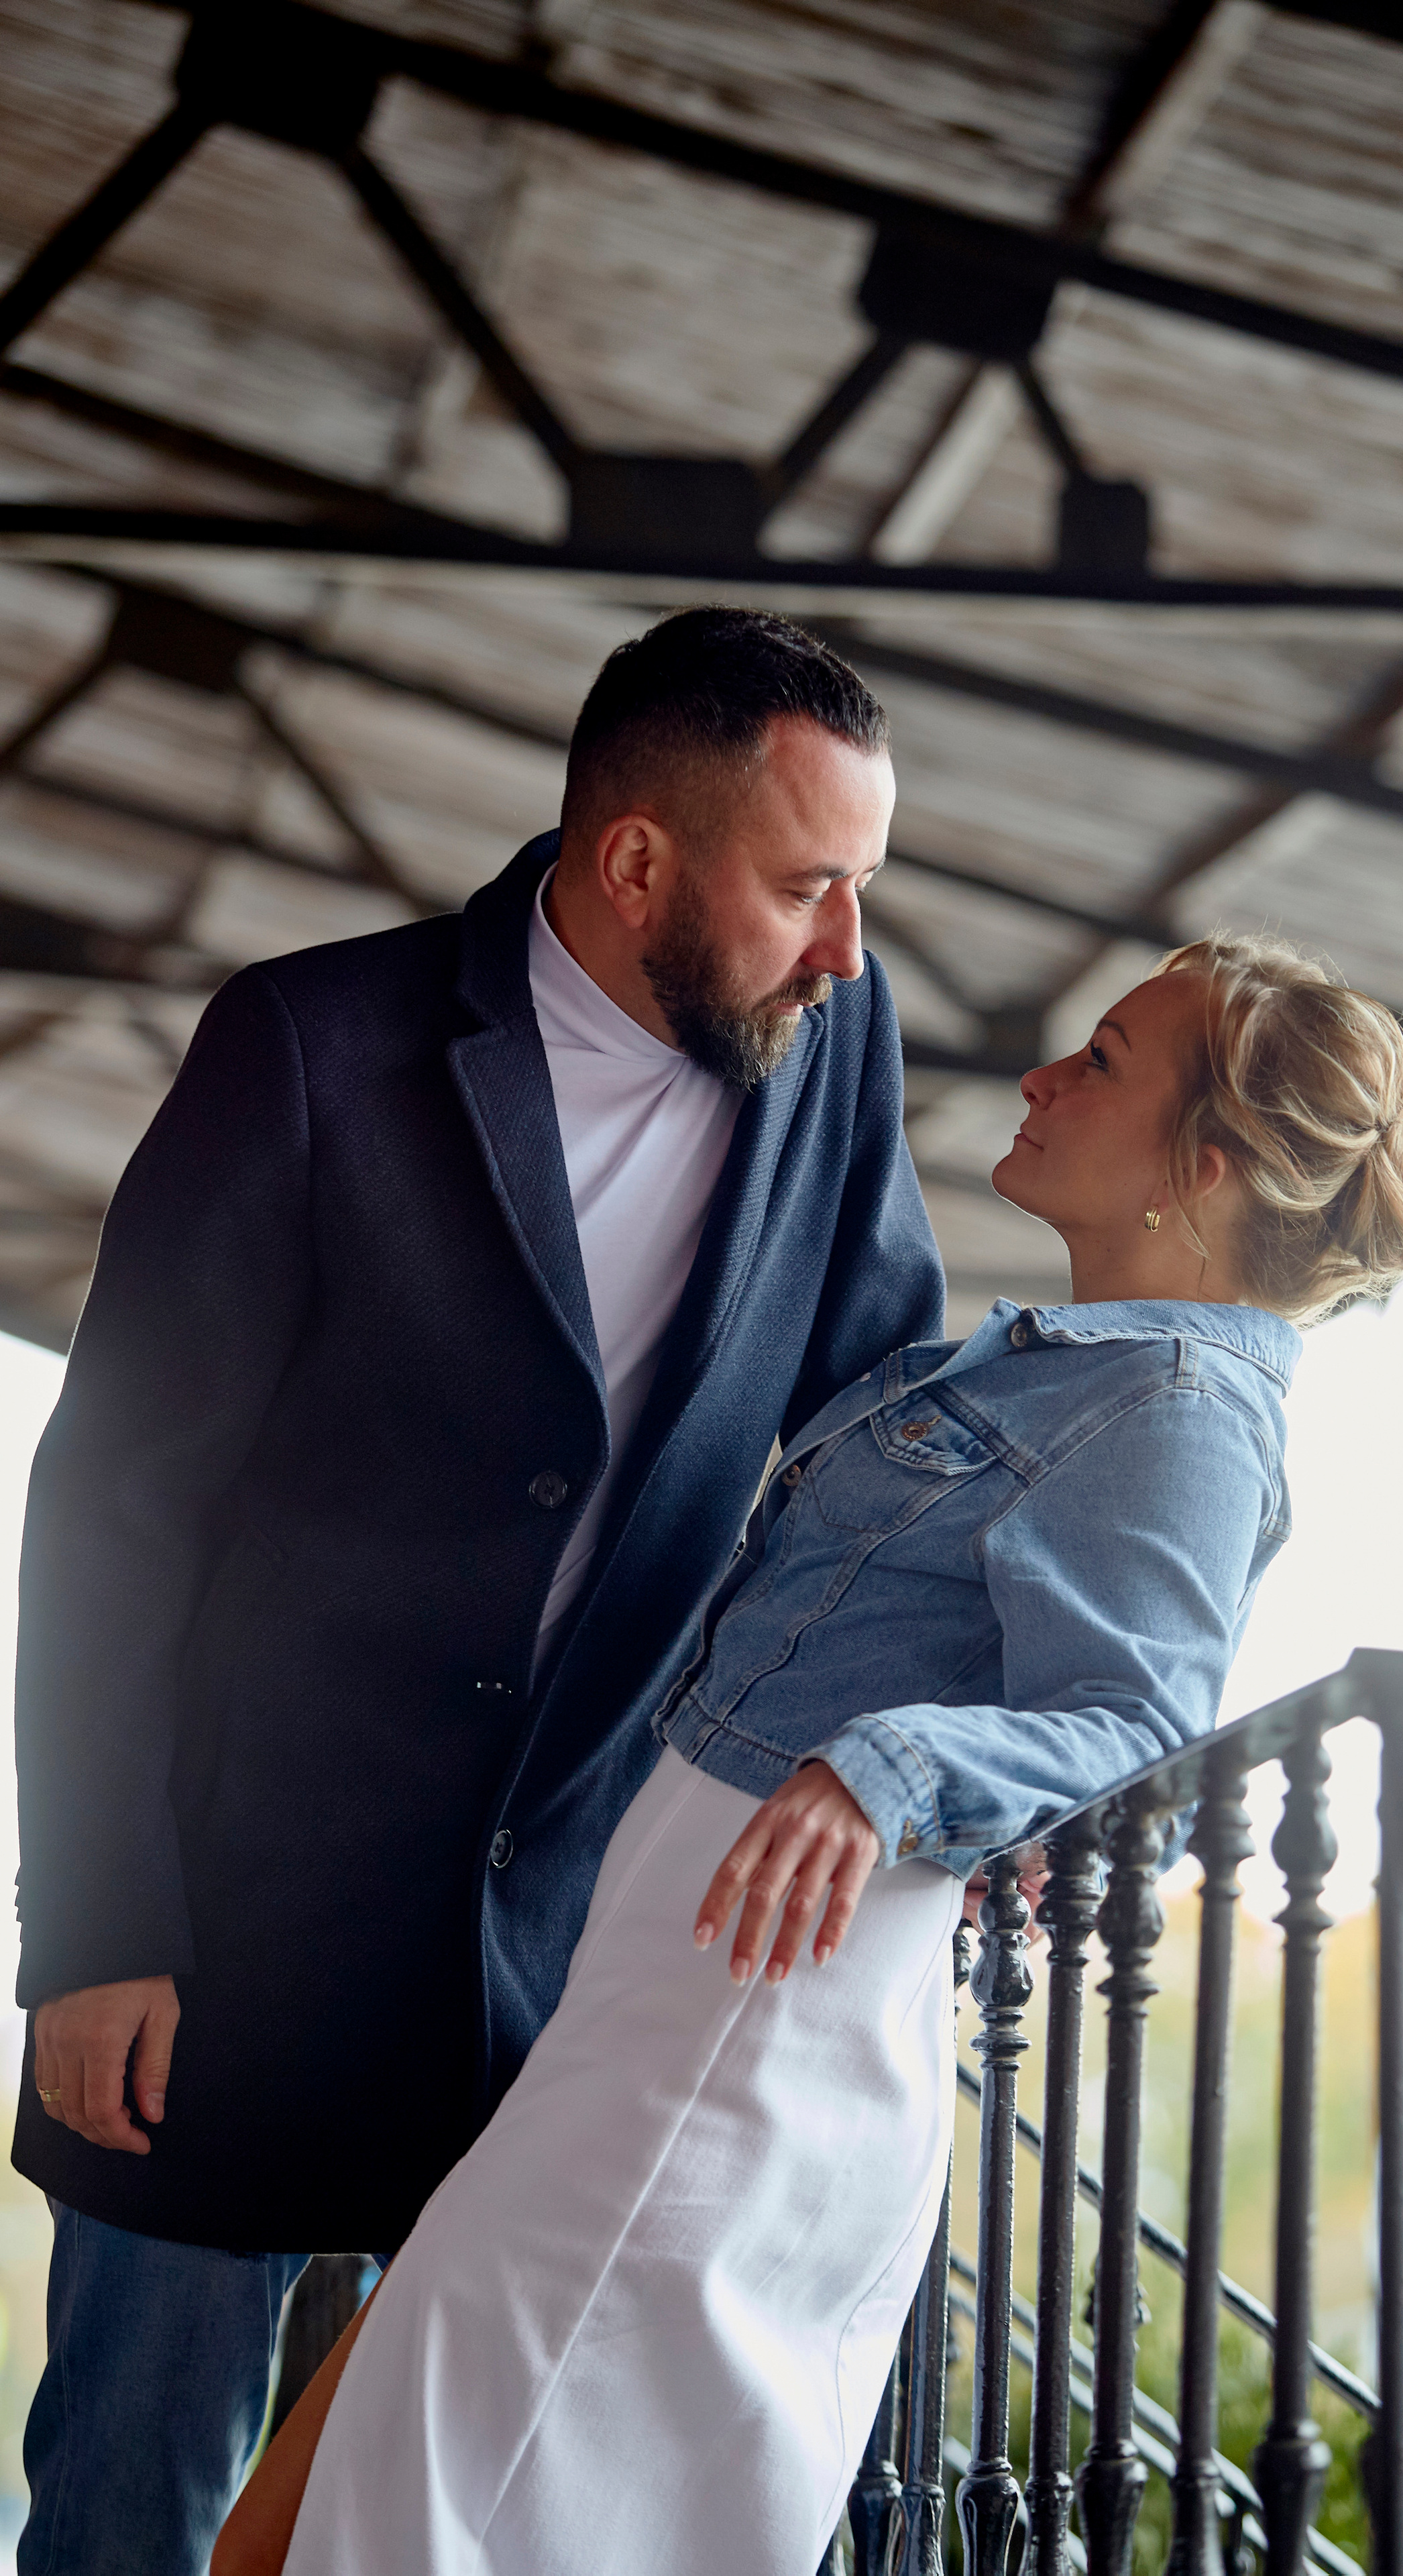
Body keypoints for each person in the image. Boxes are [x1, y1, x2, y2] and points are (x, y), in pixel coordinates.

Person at [217, 930, 1403, 2576]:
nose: (1039, 1076)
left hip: (749, 2029)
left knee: (396, 2524)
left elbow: (1140, 1731)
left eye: (1100, 1061)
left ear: (1200, 1167)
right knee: (321, 2519)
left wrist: (886, 1771)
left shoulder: (1177, 1407)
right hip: (668, 1983)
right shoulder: (1055, 1365)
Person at [11, 607, 946, 2575]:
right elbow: (117, 1507)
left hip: (564, 1968)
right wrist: (96, 1923)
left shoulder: (829, 1053)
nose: (849, 951)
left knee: (422, 2524)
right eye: (808, 887)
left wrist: (945, 1753)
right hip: (223, 1938)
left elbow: (876, 1429)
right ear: (636, 861)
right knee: (134, 2512)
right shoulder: (310, 1046)